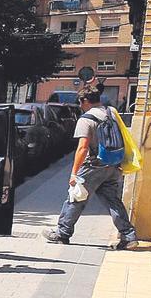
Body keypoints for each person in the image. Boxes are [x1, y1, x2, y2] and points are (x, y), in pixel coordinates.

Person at [43, 84, 138, 250]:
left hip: (93, 165)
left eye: (80, 102)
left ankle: (62, 233)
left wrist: (73, 173)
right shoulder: (112, 113)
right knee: (113, 201)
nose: (80, 106)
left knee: (76, 196)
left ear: (85, 100)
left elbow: (83, 147)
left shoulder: (87, 119)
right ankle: (129, 236)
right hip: (113, 163)